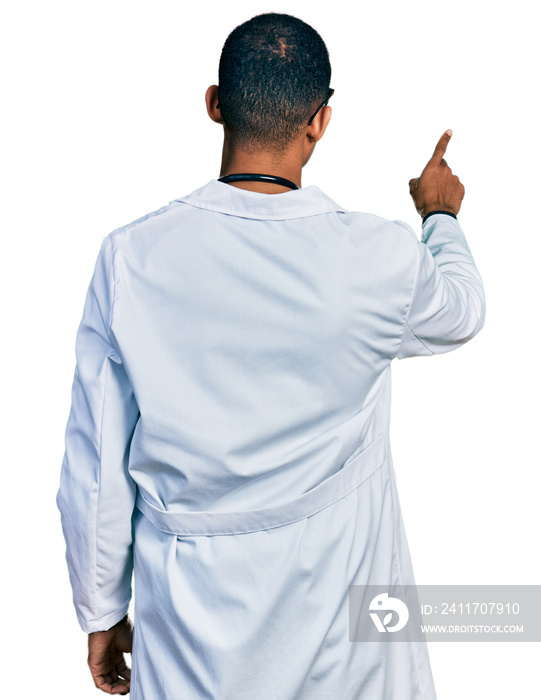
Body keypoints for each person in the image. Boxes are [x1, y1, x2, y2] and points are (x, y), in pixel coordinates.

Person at [57, 12, 485, 700]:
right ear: (319, 121)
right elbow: (463, 311)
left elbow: (96, 466)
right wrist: (438, 214)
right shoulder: (377, 259)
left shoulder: (131, 259)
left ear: (214, 104)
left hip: (187, 636)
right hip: (346, 652)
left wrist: (101, 610)